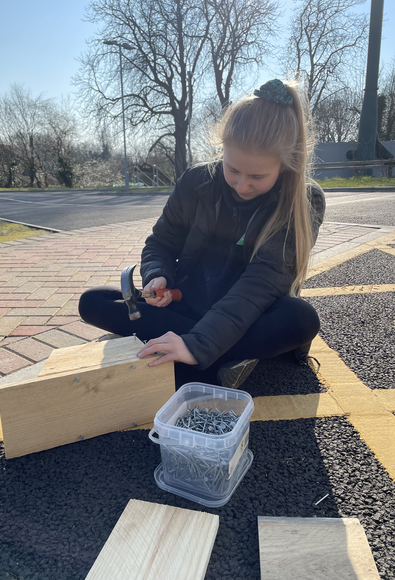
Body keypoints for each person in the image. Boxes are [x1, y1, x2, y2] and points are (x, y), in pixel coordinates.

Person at [79, 79, 326, 389]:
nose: (241, 185)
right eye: (233, 169)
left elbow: (259, 286)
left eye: (257, 176)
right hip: (187, 303)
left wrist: (197, 343)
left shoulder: (303, 201)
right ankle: (217, 357)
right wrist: (158, 275)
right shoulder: (195, 181)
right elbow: (161, 243)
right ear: (221, 148)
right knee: (94, 302)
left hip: (251, 313)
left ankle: (194, 353)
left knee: (301, 318)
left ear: (286, 165)